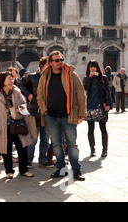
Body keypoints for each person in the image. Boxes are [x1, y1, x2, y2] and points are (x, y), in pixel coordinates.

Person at [37, 51, 87, 181]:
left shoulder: (71, 75)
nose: (60, 62)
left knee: (72, 144)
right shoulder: (45, 76)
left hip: (68, 115)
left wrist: (82, 112)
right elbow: (40, 95)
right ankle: (61, 168)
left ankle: (76, 169)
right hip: (51, 116)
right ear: (51, 63)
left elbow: (80, 94)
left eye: (61, 59)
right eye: (57, 60)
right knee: (56, 144)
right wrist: (44, 111)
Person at [0, 71, 34, 179]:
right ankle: (9, 171)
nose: (11, 81)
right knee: (6, 148)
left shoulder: (16, 91)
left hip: (18, 122)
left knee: (22, 147)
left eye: (12, 79)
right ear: (3, 81)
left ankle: (24, 170)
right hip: (4, 125)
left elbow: (24, 103)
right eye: (9, 79)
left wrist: (21, 108)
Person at [17, 57, 53, 169]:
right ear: (42, 66)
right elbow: (19, 83)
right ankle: (28, 160)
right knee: (33, 138)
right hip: (34, 111)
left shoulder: (53, 77)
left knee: (45, 139)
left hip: (47, 112)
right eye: (48, 65)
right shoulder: (32, 77)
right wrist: (28, 94)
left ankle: (43, 159)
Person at [83, 60, 111, 157]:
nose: (92, 69)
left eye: (94, 66)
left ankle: (104, 150)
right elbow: (86, 88)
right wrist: (90, 78)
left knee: (103, 129)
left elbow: (107, 91)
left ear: (97, 67)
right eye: (91, 67)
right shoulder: (86, 78)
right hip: (90, 106)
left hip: (101, 107)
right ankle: (92, 150)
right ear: (88, 68)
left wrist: (108, 104)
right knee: (90, 129)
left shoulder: (103, 78)